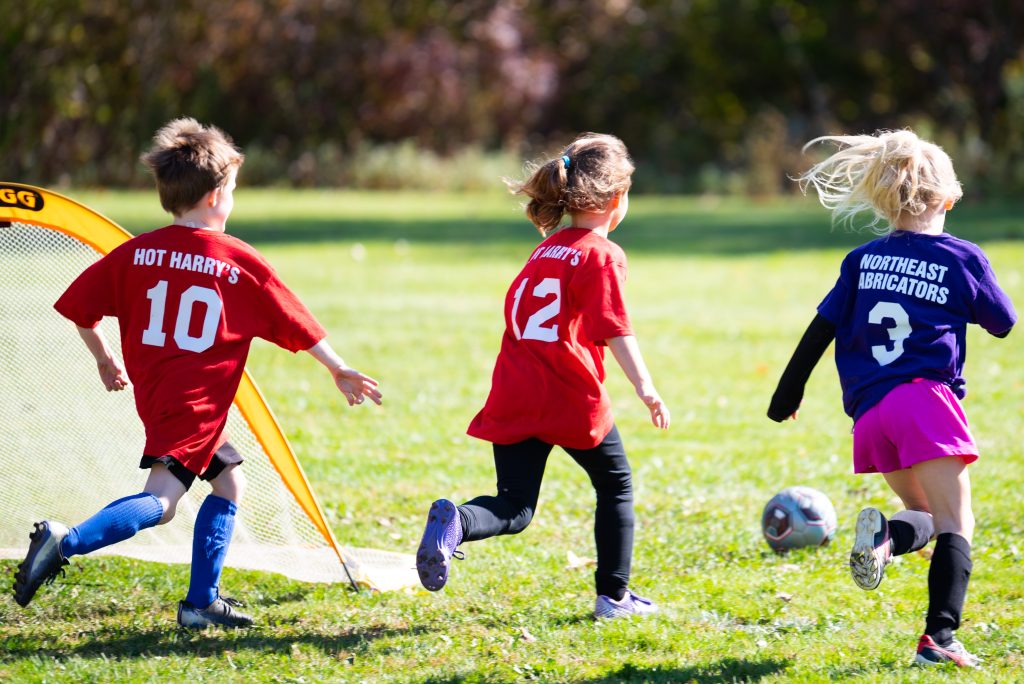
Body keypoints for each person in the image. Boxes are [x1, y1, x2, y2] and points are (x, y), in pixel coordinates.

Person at [11, 118, 382, 628]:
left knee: (229, 480)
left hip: (162, 396)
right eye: (231, 189)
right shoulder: (238, 261)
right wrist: (339, 368)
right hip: (194, 405)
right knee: (161, 502)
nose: (231, 199)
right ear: (214, 197)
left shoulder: (133, 253)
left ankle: (200, 604)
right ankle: (65, 541)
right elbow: (294, 321)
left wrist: (103, 357)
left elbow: (80, 309)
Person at [768, 129, 1016, 667]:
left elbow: (820, 328)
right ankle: (940, 639)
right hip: (925, 401)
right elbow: (1003, 322)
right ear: (949, 197)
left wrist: (786, 392)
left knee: (922, 514)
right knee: (957, 524)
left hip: (870, 413)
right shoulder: (961, 257)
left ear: (883, 199)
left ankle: (882, 539)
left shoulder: (861, 259)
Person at [415, 133, 670, 619]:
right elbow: (615, 327)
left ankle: (458, 521)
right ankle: (614, 598)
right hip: (568, 396)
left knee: (514, 507)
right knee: (615, 484)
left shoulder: (545, 250)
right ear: (618, 199)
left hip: (514, 391)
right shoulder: (601, 253)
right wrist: (646, 387)